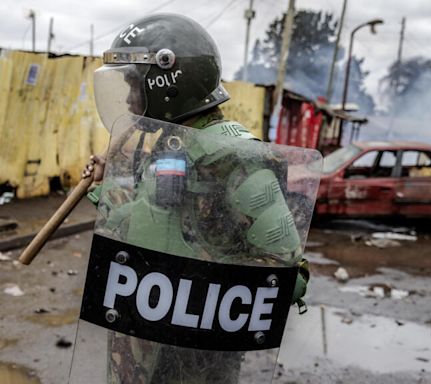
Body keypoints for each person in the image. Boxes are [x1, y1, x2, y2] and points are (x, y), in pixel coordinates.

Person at [81, 13, 311, 384]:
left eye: (133, 85)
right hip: (145, 356)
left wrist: (197, 280)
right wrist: (104, 188)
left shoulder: (237, 159)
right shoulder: (171, 145)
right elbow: (147, 223)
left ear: (168, 82)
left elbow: (286, 276)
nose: (127, 97)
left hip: (198, 366)